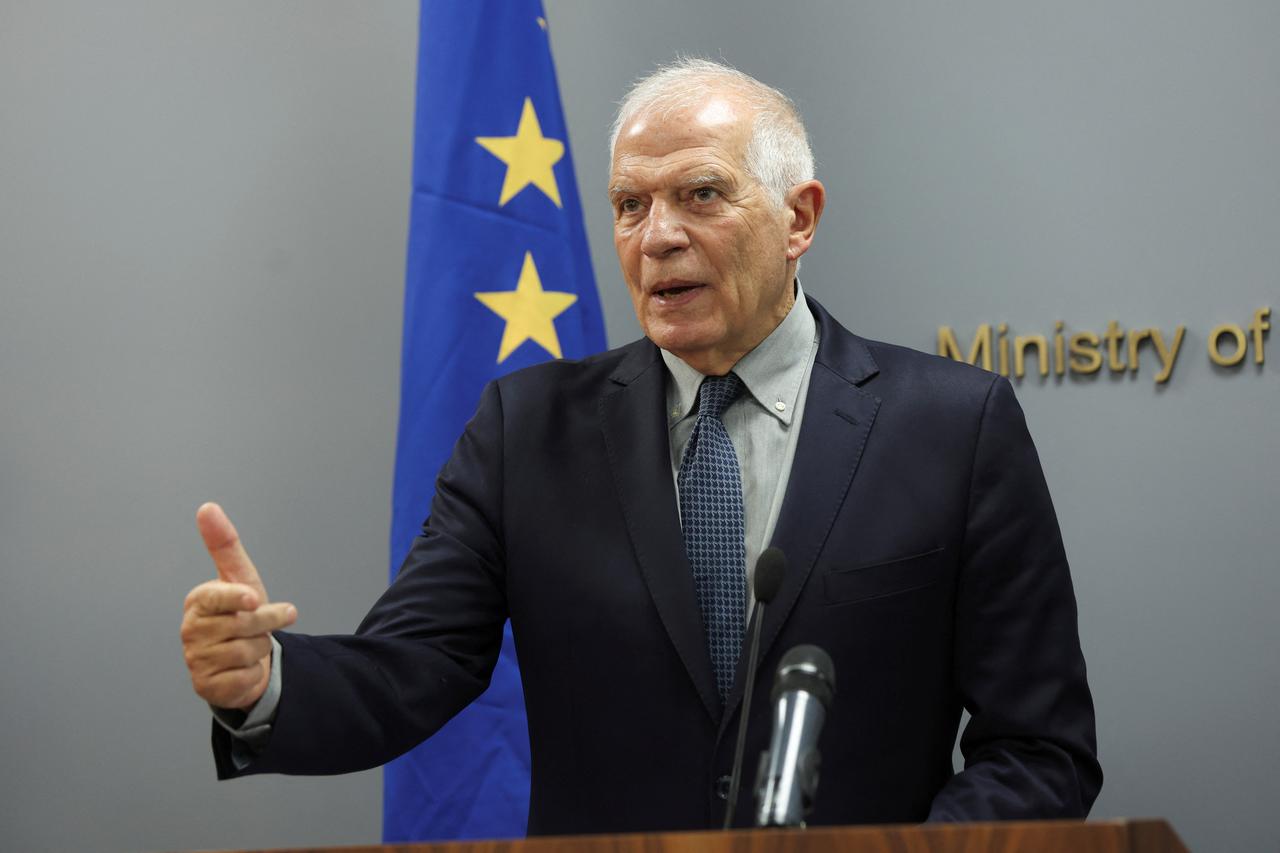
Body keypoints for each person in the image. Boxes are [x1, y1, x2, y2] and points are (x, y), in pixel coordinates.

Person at [181, 59, 1101, 834]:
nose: (657, 236)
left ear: (799, 218)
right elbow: (409, 668)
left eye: (700, 194)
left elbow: (1039, 747)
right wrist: (266, 682)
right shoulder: (525, 431)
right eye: (630, 204)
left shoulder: (952, 426)